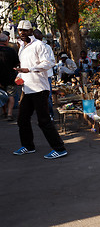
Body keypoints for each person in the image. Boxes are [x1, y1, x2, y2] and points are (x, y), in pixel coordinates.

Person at [13, 20, 67, 159]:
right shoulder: (22, 47)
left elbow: (49, 63)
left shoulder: (39, 45)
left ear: (31, 31)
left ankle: (60, 149)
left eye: (25, 30)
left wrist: (29, 69)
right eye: (20, 30)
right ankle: (28, 146)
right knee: (22, 119)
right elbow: (24, 65)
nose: (22, 33)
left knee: (43, 120)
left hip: (40, 88)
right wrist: (19, 75)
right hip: (27, 88)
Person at [33, 29, 56, 119]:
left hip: (46, 76)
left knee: (48, 96)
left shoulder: (47, 47)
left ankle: (50, 114)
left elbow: (52, 61)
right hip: (35, 76)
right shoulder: (30, 47)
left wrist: (42, 66)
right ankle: (42, 114)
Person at [0, 33, 19, 121]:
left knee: (2, 95)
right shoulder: (11, 50)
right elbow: (17, 63)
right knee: (11, 95)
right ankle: (9, 114)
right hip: (10, 76)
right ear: (6, 41)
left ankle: (4, 112)